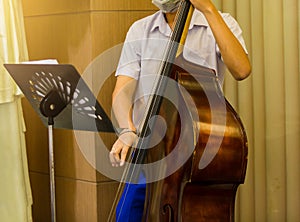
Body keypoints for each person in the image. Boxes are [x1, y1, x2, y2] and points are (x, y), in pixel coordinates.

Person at [109, 0, 251, 221]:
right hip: (149, 148)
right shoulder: (140, 29)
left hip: (198, 149)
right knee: (127, 213)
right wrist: (128, 130)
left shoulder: (222, 23)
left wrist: (208, 9)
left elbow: (241, 69)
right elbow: (122, 91)